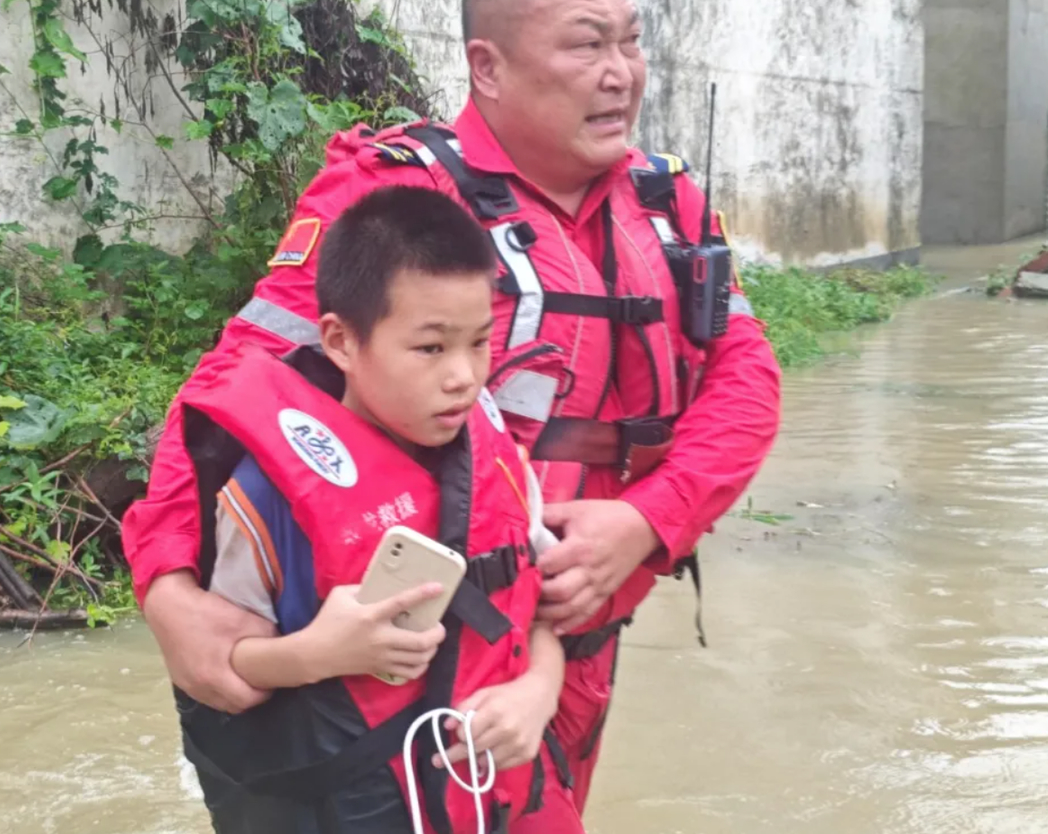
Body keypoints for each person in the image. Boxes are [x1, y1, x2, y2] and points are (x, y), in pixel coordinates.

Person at [125, 0, 782, 821]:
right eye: (586, 44)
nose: (620, 73)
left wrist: (649, 521)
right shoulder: (397, 196)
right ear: (489, 67)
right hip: (439, 646)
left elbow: (746, 380)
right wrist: (167, 585)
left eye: (630, 41)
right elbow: (236, 384)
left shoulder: (667, 203)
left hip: (577, 629)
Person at [168, 185, 583, 833]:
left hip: (483, 802)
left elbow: (537, 608)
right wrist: (318, 653)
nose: (464, 377)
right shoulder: (266, 498)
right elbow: (224, 664)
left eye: (479, 343)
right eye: (430, 348)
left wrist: (539, 692)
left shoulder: (498, 457)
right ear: (340, 341)